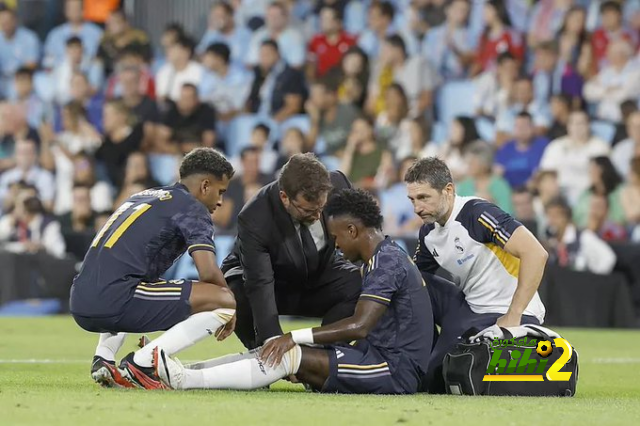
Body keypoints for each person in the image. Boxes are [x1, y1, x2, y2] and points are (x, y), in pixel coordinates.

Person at [155, 188, 434, 395]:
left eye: (335, 238)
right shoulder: (383, 256)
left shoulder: (386, 261)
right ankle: (186, 371)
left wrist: (293, 337)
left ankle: (185, 380)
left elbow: (360, 326)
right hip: (376, 358)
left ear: (352, 230)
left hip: (393, 370)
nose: (334, 246)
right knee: (281, 352)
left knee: (288, 353)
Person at [69, 148, 237, 390]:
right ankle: (143, 363)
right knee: (223, 301)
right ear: (205, 186)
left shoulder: (143, 196)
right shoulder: (192, 208)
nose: (220, 201)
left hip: (79, 297)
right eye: (220, 192)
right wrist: (231, 304)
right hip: (114, 299)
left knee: (133, 279)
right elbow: (208, 273)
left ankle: (104, 357)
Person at [405, 157, 547, 393]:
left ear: (448, 190)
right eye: (412, 199)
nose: (417, 208)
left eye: (423, 198)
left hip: (505, 310)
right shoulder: (428, 233)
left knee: (436, 381)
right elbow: (413, 280)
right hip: (469, 306)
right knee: (405, 281)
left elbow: (536, 253)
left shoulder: (477, 213)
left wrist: (514, 314)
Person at [220, 153, 362, 350]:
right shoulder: (254, 217)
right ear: (284, 197)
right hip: (274, 284)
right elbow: (260, 284)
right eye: (308, 211)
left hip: (317, 274)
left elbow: (364, 233)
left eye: (321, 208)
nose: (318, 215)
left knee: (361, 282)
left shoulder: (339, 185)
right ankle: (261, 357)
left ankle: (323, 358)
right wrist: (272, 342)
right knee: (236, 293)